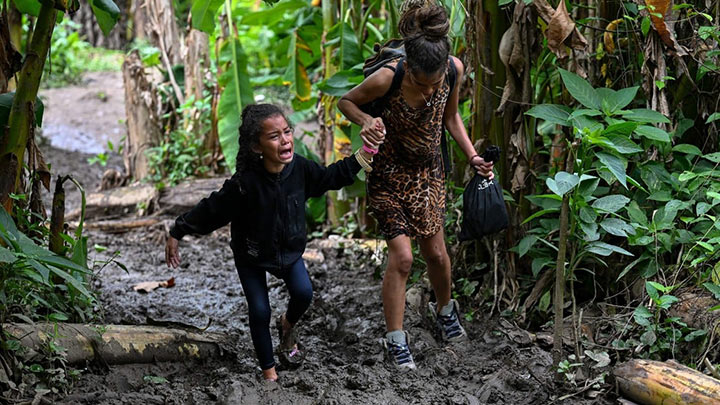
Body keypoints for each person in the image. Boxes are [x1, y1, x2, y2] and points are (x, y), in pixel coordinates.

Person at [165, 104, 381, 381]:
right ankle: (269, 373)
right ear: (257, 146)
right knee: (259, 310)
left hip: (289, 252)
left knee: (304, 294)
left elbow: (329, 177)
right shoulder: (245, 183)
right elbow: (211, 210)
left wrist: (365, 155)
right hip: (251, 254)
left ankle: (287, 324)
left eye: (287, 132)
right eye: (275, 136)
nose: (286, 140)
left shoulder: (300, 169)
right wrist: (177, 231)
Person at [337, 4, 494, 369]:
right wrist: (365, 120)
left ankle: (445, 311)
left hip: (428, 173)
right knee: (404, 257)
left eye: (435, 82)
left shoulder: (453, 71)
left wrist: (472, 157)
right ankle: (396, 339)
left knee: (437, 254)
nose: (429, 90)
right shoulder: (388, 77)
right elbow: (345, 101)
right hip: (388, 172)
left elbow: (451, 117)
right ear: (409, 68)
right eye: (421, 83)